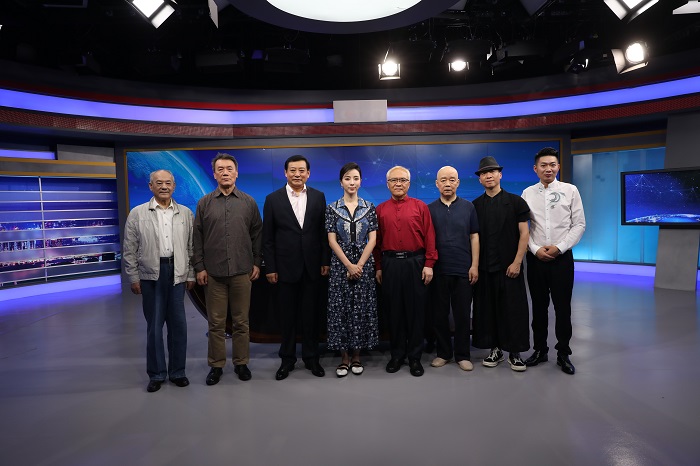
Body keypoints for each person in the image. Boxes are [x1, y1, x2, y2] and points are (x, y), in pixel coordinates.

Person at [192, 153, 262, 386]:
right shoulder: (204, 203)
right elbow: (197, 237)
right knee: (216, 323)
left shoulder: (248, 202)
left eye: (229, 169)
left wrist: (256, 262)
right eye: (220, 169)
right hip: (214, 274)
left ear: (236, 173)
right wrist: (199, 267)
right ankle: (216, 366)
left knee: (241, 322)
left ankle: (241, 363)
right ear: (214, 174)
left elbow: (257, 234)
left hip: (242, 271)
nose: (225, 172)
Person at [122, 169, 195, 393]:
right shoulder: (137, 213)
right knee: (154, 326)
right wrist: (134, 276)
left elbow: (191, 247)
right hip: (150, 274)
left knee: (178, 326)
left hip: (177, 272)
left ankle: (178, 372)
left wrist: (191, 273)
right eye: (159, 183)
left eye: (168, 183)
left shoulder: (185, 213)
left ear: (174, 186)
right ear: (150, 186)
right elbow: (129, 249)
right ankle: (157, 374)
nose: (164, 187)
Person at [262, 155, 331, 380]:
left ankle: (312, 358)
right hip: (284, 268)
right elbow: (268, 238)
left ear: (308, 173)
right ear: (285, 173)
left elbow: (323, 233)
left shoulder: (319, 197)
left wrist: (325, 261)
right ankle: (287, 359)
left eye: (302, 170)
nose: (297, 174)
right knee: (287, 316)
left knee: (311, 315)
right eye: (293, 170)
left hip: (312, 267)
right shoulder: (273, 199)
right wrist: (270, 267)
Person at [521, 147, 586, 375]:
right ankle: (540, 350)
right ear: (535, 169)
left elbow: (579, 224)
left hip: (562, 259)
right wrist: (535, 249)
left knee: (563, 308)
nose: (548, 169)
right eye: (543, 165)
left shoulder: (570, 190)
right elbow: (523, 228)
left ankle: (563, 353)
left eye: (552, 165)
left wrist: (560, 247)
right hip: (536, 259)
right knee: (538, 308)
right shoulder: (527, 193)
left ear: (558, 167)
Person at [373, 166, 437, 377]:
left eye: (402, 180)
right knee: (394, 312)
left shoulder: (421, 207)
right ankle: (397, 355)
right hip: (390, 264)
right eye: (394, 180)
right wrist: (379, 266)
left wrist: (429, 264)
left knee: (416, 312)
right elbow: (376, 243)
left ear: (409, 183)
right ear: (387, 184)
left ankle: (415, 357)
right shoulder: (380, 210)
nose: (398, 184)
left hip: (415, 263)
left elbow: (430, 237)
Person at [472, 156, 530, 372]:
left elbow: (524, 234)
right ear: (480, 179)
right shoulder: (475, 206)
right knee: (488, 310)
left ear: (500, 175)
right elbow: (474, 238)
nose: (488, 175)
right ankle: (495, 349)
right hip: (485, 268)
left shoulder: (516, 202)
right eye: (484, 173)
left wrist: (517, 262)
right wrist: (475, 266)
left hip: (509, 268)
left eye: (492, 172)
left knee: (513, 310)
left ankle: (515, 352)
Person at [325, 162, 379, 377]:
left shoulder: (369, 207)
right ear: (341, 182)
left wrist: (359, 266)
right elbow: (331, 240)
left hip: (364, 264)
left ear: (361, 181)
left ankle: (357, 355)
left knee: (361, 308)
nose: (352, 182)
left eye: (355, 178)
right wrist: (348, 265)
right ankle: (344, 358)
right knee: (341, 310)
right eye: (347, 178)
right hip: (340, 265)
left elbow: (372, 239)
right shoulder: (332, 208)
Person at [428, 166, 480, 372]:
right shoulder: (429, 209)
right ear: (437, 184)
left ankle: (462, 355)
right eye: (443, 180)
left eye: (452, 180)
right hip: (438, 270)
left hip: (463, 269)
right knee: (439, 314)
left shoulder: (469, 207)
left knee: (462, 314)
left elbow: (474, 237)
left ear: (458, 183)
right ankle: (443, 353)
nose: (447, 184)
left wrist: (474, 265)